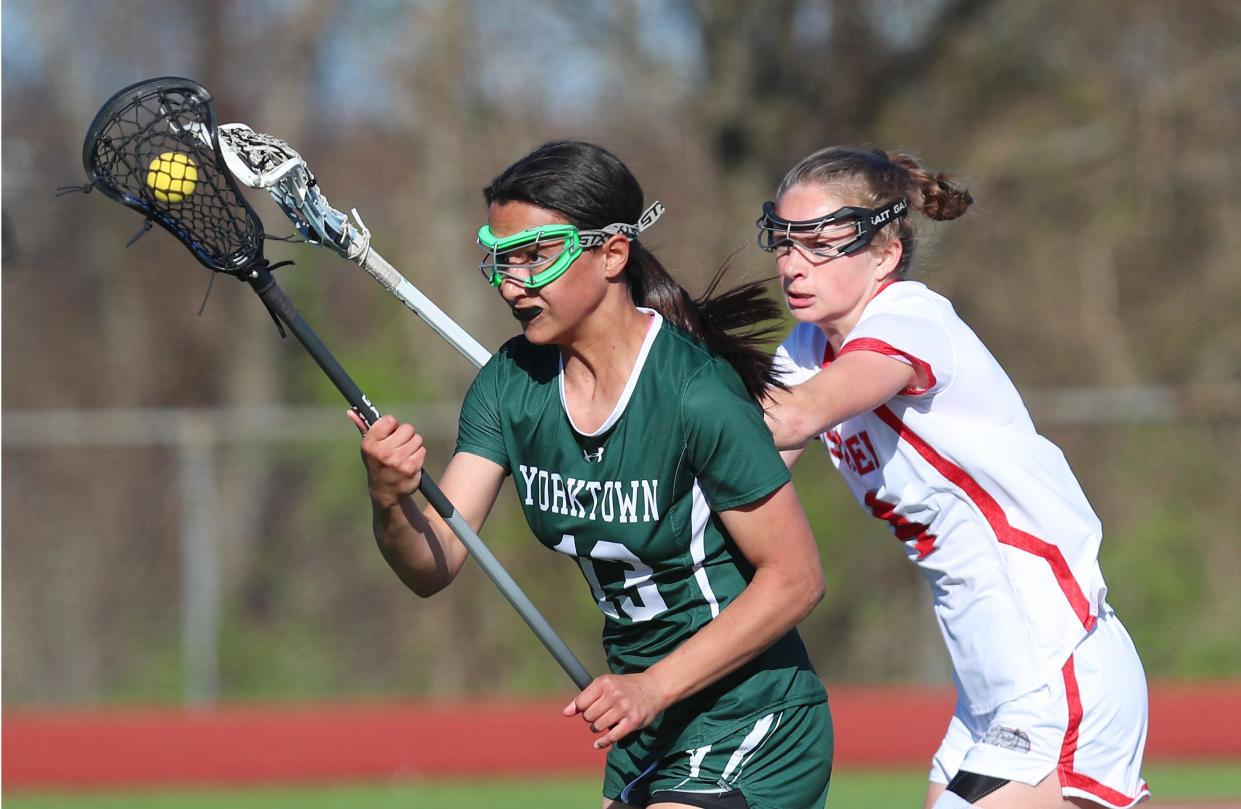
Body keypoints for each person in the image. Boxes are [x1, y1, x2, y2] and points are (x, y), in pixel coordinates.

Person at [350, 141, 832, 809]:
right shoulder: (508, 385)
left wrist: (653, 685)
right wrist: (389, 498)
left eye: (534, 255)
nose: (510, 281)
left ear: (611, 253)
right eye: (500, 258)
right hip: (647, 724)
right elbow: (433, 563)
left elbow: (796, 577)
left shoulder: (694, 393)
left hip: (750, 713)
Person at [758, 147, 1149, 809]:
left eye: (821, 244)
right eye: (784, 242)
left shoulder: (909, 318)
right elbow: (745, 469)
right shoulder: (804, 349)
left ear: (883, 253)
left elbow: (791, 418)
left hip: (1054, 661)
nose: (794, 264)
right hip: (984, 686)